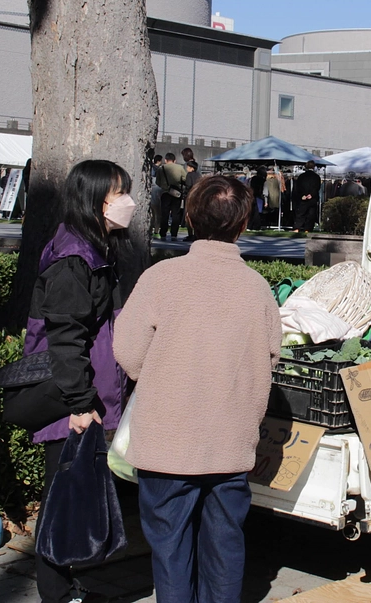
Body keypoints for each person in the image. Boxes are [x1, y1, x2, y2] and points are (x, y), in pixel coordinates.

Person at [114, 175, 281, 603]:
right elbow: (271, 358)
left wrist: (167, 378)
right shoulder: (258, 289)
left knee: (170, 548)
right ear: (243, 224)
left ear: (188, 216)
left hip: (167, 441)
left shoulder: (161, 277)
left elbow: (128, 353)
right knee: (225, 544)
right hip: (229, 442)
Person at [25, 159, 135, 603]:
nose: (127, 201)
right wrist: (80, 403)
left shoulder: (91, 248)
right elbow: (65, 339)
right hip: (72, 397)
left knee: (70, 489)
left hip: (84, 393)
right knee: (62, 494)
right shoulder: (73, 259)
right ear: (94, 201)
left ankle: (64, 583)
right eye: (118, 193)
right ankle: (55, 591)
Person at [155, 152, 186, 241]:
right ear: (175, 160)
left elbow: (157, 182)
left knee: (164, 213)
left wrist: (165, 186)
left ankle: (163, 233)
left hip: (165, 193)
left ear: (165, 160)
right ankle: (174, 234)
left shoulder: (161, 168)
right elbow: (184, 179)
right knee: (176, 214)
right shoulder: (180, 168)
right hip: (177, 193)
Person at [293, 160, 321, 233]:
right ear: (314, 167)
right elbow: (317, 187)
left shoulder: (301, 176)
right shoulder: (316, 177)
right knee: (311, 214)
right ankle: (307, 229)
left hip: (303, 198)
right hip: (313, 198)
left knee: (300, 214)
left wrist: (302, 195)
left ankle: (297, 228)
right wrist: (311, 194)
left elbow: (298, 187)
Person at [249, 165, 268, 230]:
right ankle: (256, 226)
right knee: (257, 212)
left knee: (252, 211)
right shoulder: (262, 180)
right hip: (258, 196)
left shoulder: (253, 179)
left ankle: (251, 225)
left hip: (252, 195)